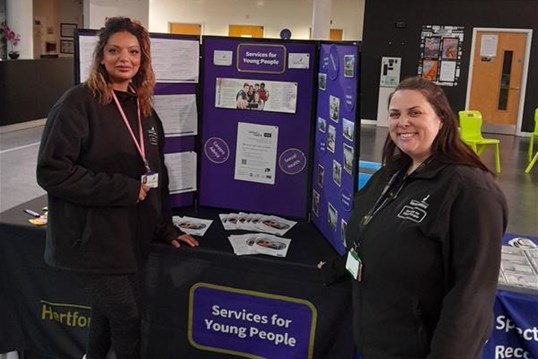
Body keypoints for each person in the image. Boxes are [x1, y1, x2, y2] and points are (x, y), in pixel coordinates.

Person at [36, 17, 199, 359]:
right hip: (91, 241)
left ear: (143, 59)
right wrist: (123, 189)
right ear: (101, 56)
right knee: (126, 317)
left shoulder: (143, 109)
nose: (124, 58)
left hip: (128, 237)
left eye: (133, 51)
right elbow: (53, 172)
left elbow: (156, 178)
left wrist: (165, 227)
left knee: (105, 315)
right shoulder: (77, 102)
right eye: (114, 50)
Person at [319, 76, 508, 359]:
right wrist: (333, 269)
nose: (402, 122)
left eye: (415, 113)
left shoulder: (470, 191)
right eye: (395, 114)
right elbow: (368, 240)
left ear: (442, 119)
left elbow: (471, 299)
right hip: (377, 343)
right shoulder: (393, 174)